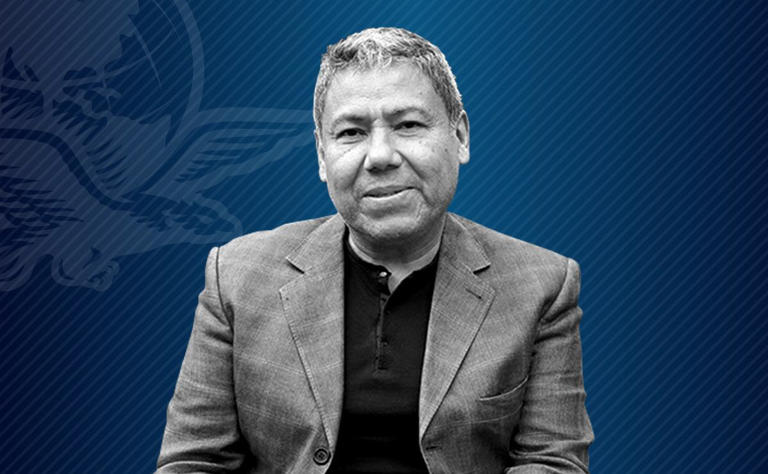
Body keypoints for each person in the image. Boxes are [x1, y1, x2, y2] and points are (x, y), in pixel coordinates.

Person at [157, 27, 593, 473]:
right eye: (352, 132)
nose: (380, 155)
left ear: (460, 136)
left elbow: (552, 461)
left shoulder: (541, 286)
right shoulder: (237, 276)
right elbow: (193, 461)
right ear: (322, 155)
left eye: (408, 125)